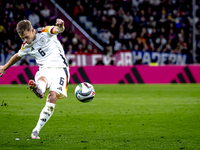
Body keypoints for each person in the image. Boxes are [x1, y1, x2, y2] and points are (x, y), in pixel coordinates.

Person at [0, 18, 70, 139]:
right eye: (23, 39)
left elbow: (58, 29)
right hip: (44, 69)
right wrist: (4, 68)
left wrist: (61, 25)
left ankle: (36, 131)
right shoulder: (26, 46)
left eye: (27, 37)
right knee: (42, 79)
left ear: (32, 31)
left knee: (52, 99)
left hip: (60, 69)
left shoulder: (45, 31)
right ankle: (39, 90)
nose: (25, 41)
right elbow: (17, 56)